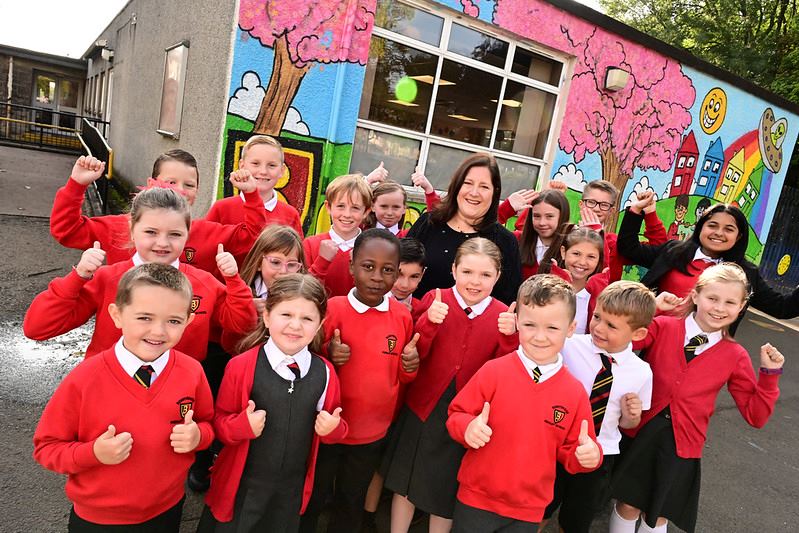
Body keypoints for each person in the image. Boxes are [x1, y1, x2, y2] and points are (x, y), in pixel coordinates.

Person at [33, 263, 214, 532]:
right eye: (145, 318)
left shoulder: (192, 372)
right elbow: (46, 448)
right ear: (116, 315)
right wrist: (92, 452)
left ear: (188, 321)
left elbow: (208, 424)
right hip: (99, 520)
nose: (158, 331)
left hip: (167, 509)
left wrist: (199, 436)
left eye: (173, 321)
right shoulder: (85, 379)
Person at [610, 263, 785, 533]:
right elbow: (619, 341)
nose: (719, 308)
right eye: (712, 298)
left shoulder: (735, 355)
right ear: (695, 296)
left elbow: (756, 416)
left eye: (730, 302)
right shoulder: (663, 326)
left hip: (683, 445)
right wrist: (652, 309)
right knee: (628, 504)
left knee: (657, 514)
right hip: (642, 432)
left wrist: (769, 376)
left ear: (741, 308)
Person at [23, 187, 257, 361]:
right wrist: (78, 276)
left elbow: (242, 324)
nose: (162, 243)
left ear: (188, 234)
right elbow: (38, 328)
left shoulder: (203, 283)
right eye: (151, 232)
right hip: (106, 395)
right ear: (132, 231)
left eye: (175, 234)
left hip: (175, 404)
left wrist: (234, 281)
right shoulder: (108, 278)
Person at [446, 275, 602, 532]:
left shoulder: (574, 392)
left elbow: (577, 448)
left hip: (529, 509)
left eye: (552, 328)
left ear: (571, 328)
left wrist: (589, 455)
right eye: (530, 325)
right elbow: (457, 414)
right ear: (517, 321)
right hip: (476, 500)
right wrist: (467, 428)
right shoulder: (493, 371)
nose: (540, 337)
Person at [385, 238, 519, 533]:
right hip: (423, 407)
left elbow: (504, 372)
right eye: (468, 272)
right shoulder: (435, 298)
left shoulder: (502, 315)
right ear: (454, 270)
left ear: (497, 276)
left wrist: (511, 338)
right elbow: (413, 353)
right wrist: (429, 324)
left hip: (466, 415)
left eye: (485, 275)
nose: (475, 282)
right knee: (406, 483)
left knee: (445, 491)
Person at [199, 274, 348, 533]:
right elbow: (219, 425)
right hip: (243, 489)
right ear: (267, 317)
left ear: (320, 324)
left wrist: (332, 429)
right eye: (286, 315)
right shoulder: (241, 366)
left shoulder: (324, 373)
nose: (295, 326)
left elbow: (339, 426)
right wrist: (241, 426)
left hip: (289, 493)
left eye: (307, 318)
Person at [301, 229, 420, 533]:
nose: (377, 277)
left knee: (351, 501)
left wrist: (410, 366)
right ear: (352, 265)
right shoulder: (333, 309)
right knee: (313, 498)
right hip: (327, 428)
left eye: (387, 270)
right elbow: (308, 363)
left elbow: (401, 375)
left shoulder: (402, 317)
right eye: (368, 266)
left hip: (371, 432)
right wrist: (328, 353)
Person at [542, 281, 655, 533]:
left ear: (637, 335)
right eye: (596, 317)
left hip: (599, 454)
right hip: (555, 445)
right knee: (540, 508)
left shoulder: (641, 372)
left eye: (611, 325)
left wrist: (630, 416)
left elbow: (627, 425)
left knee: (576, 520)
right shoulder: (569, 346)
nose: (599, 328)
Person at [50, 153, 268, 273]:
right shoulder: (119, 227)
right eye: (171, 181)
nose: (180, 190)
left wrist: (251, 195)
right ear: (151, 183)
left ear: (198, 191)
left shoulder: (208, 233)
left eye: (189, 185)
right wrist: (76, 185)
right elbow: (67, 231)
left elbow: (253, 238)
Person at [617, 198, 799, 330]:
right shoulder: (673, 251)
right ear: (701, 228)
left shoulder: (745, 273)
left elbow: (782, 308)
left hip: (703, 351)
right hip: (655, 336)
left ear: (739, 237)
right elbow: (629, 249)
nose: (718, 233)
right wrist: (636, 211)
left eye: (729, 229)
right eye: (712, 225)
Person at [406, 153, 521, 305]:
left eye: (484, 186)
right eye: (468, 183)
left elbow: (510, 302)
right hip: (417, 323)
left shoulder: (505, 242)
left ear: (495, 192)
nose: (474, 193)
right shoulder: (428, 224)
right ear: (457, 186)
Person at [205, 135, 304, 245]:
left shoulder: (291, 215)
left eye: (271, 165)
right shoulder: (222, 208)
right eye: (255, 164)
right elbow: (202, 247)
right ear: (242, 165)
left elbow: (297, 257)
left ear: (282, 171)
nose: (263, 171)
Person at [303, 174, 373, 297]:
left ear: (366, 212)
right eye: (341, 206)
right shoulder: (310, 244)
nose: (347, 214)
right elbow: (302, 291)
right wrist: (322, 261)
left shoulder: (372, 249)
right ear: (328, 207)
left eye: (355, 208)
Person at [552, 225, 606, 333]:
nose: (582, 262)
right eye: (576, 254)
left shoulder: (600, 295)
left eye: (591, 257)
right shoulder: (546, 286)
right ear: (563, 252)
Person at [516, 189, 571, 280]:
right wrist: (508, 208)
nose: (542, 222)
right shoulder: (516, 239)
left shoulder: (572, 247)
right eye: (536, 216)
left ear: (562, 216)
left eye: (549, 216)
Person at [388, 237, 427, 320]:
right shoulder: (367, 301)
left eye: (414, 276)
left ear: (422, 275)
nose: (405, 285)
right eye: (398, 275)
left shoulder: (423, 312)